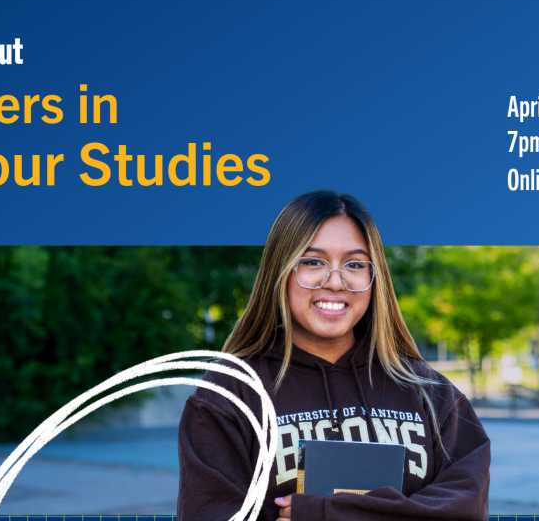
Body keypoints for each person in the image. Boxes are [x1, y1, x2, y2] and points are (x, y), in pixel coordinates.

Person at [177, 190, 490, 521]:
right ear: (280, 271)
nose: (336, 282)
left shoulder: (429, 392)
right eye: (313, 261)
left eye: (354, 264)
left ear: (374, 278)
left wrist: (325, 514)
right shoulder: (231, 394)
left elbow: (465, 510)